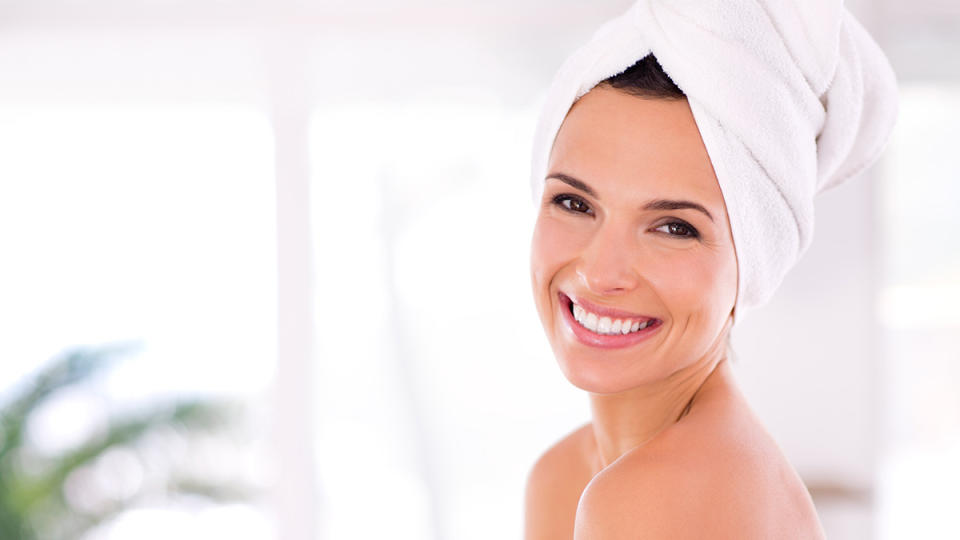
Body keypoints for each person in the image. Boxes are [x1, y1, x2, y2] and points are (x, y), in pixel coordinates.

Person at [522, 1, 898, 538]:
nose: (602, 272)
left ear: (753, 259)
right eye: (575, 204)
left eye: (674, 227)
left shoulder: (651, 499)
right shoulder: (562, 474)